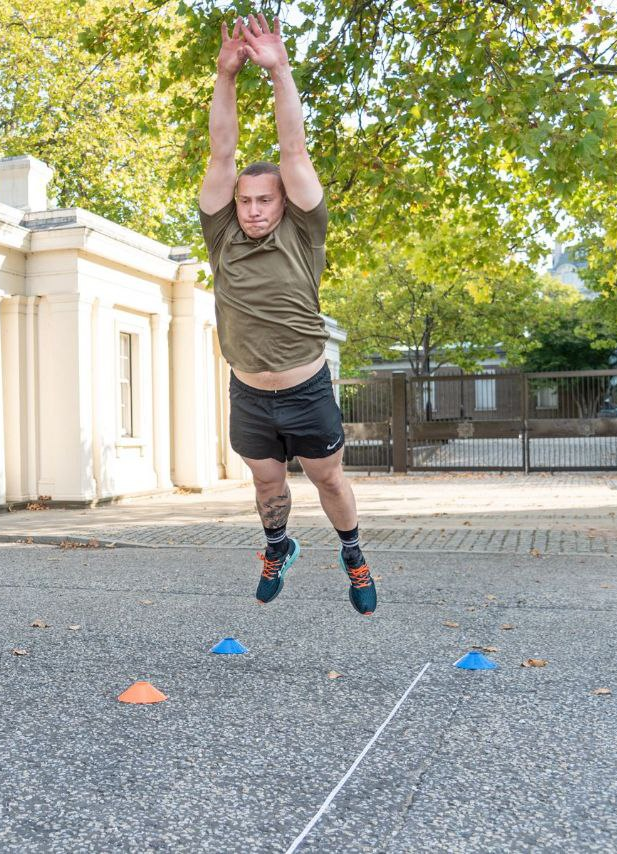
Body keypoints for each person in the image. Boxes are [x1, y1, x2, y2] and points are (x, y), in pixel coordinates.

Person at [198, 15, 376, 615]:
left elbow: (293, 149)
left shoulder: (304, 232)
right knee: (266, 483)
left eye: (264, 200)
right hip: (248, 391)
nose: (252, 209)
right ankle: (278, 546)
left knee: (328, 479)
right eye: (245, 200)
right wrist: (226, 76)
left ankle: (353, 555)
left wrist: (278, 70)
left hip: (306, 387)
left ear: (282, 203)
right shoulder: (222, 233)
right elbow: (222, 151)